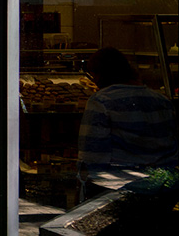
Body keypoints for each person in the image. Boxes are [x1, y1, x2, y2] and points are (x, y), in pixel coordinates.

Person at [77, 47, 179, 194]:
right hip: (162, 188)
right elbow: (172, 148)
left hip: (121, 189)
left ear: (98, 75)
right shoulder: (162, 100)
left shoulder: (101, 101)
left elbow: (92, 156)